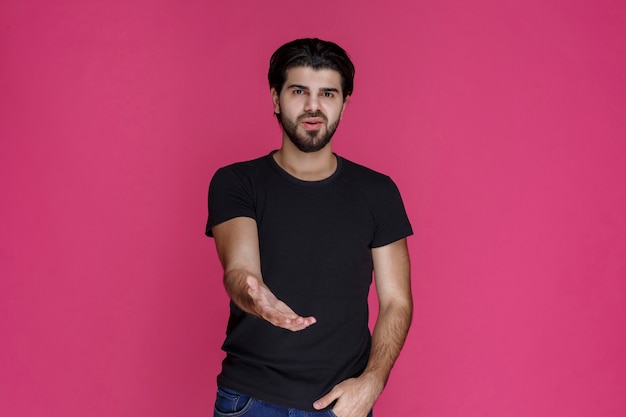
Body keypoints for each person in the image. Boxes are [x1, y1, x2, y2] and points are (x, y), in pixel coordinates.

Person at [206, 38, 413, 417]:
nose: (313, 106)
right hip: (251, 401)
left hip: (342, 404)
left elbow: (397, 302)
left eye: (328, 93)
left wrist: (372, 382)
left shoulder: (378, 192)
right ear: (275, 98)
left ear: (344, 103)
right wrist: (257, 299)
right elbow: (240, 269)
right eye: (299, 91)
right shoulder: (237, 182)